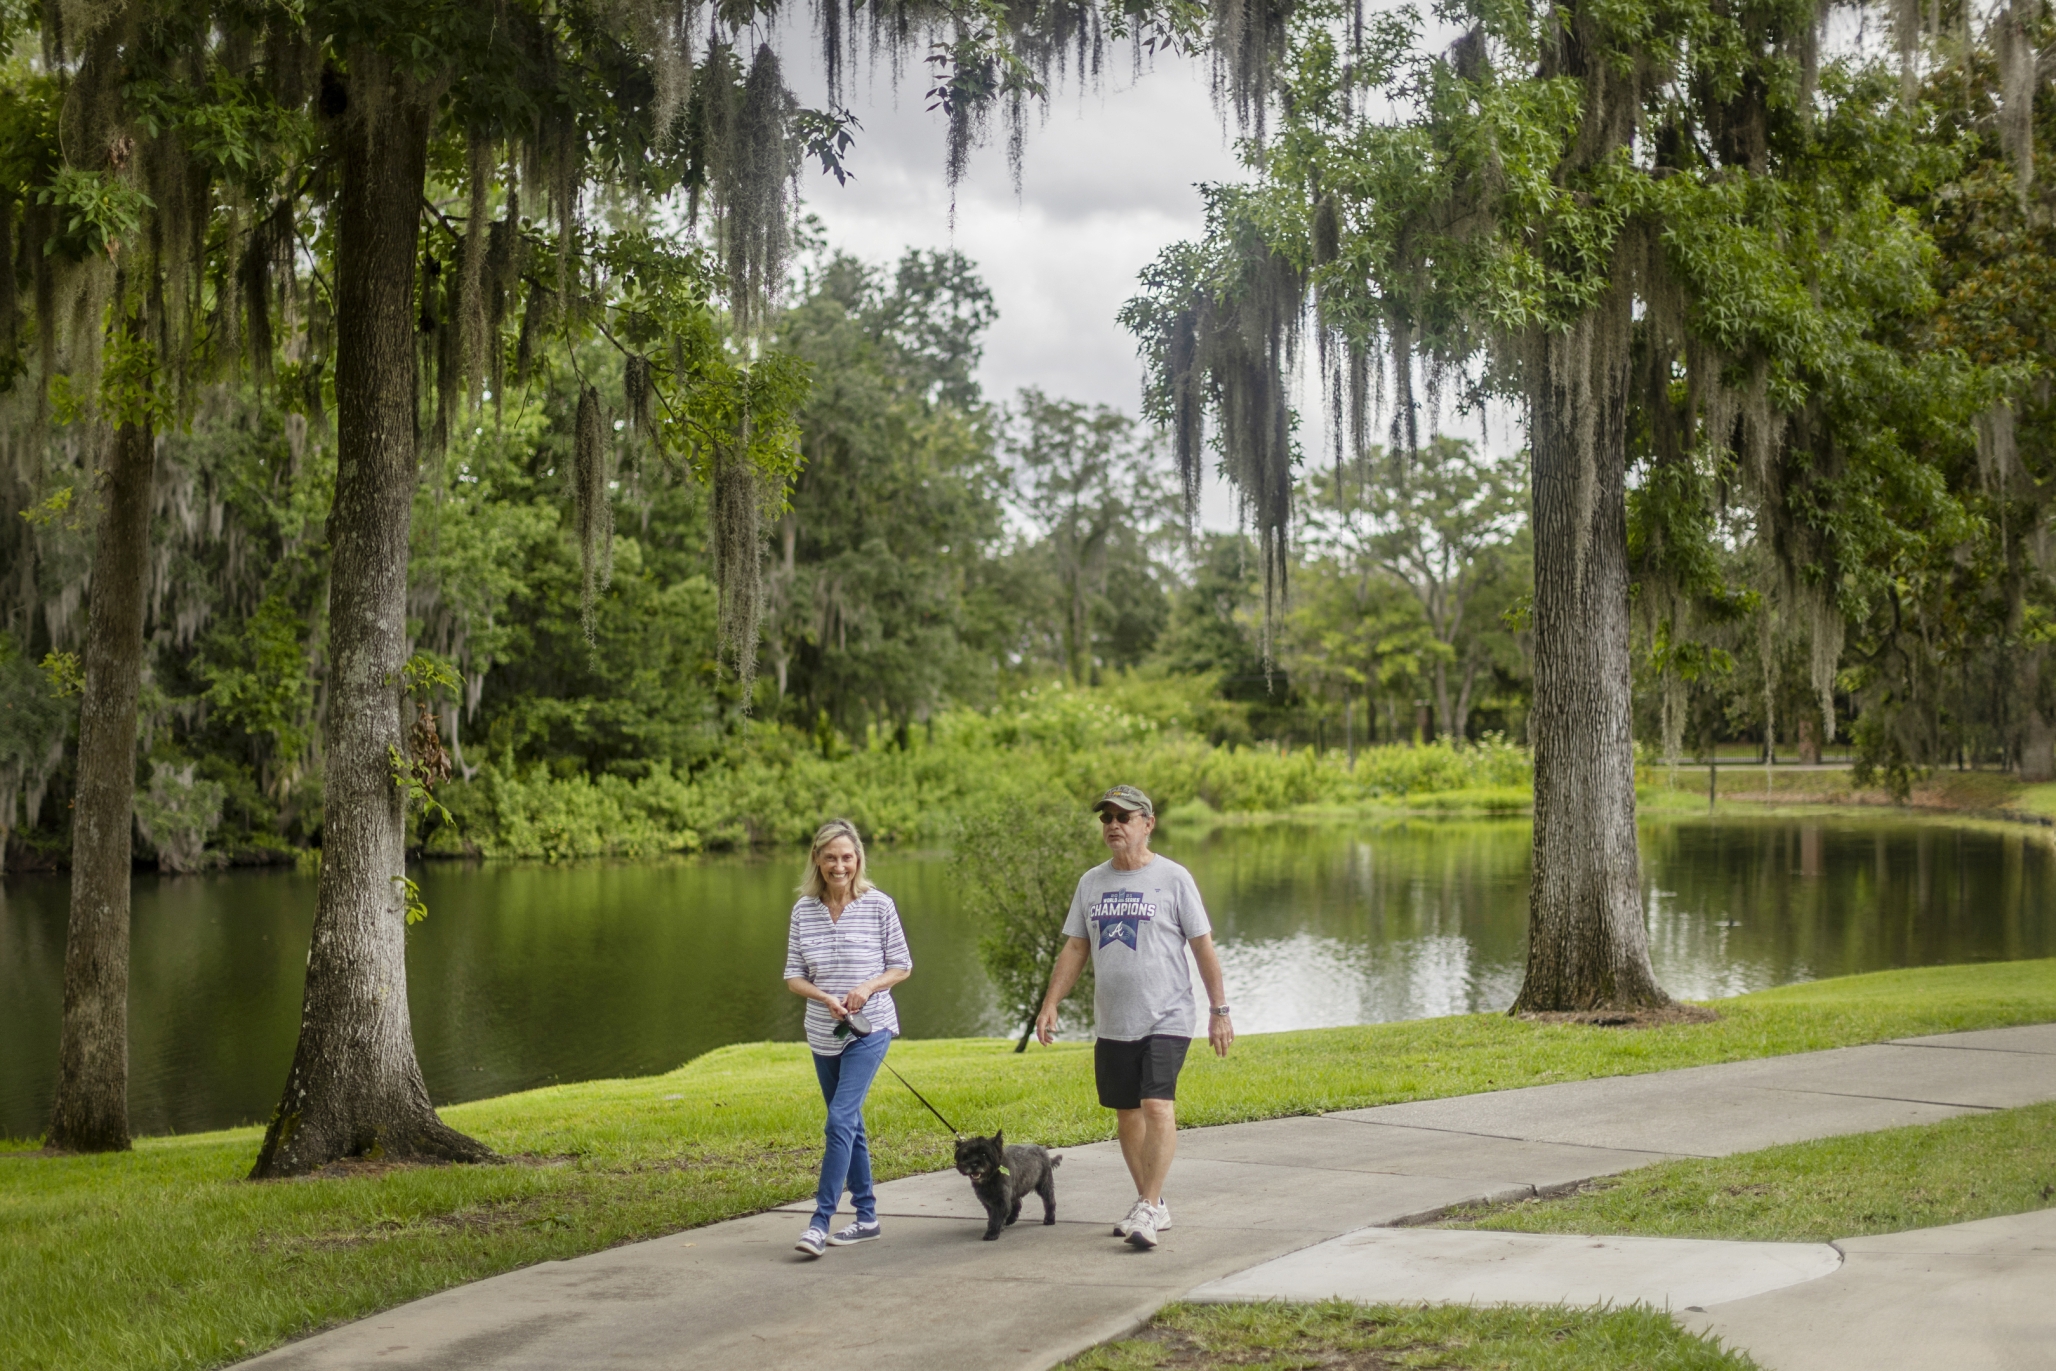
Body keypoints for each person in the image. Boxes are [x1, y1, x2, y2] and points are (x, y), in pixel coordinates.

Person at [1034, 784, 1232, 1251]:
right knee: (1127, 1114)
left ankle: (1147, 1205)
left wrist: (1219, 1010)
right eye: (1107, 818)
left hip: (1168, 1015)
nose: (1114, 825)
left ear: (1148, 822)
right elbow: (1076, 947)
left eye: (1124, 817)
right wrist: (1051, 1002)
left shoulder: (1174, 878)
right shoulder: (1091, 883)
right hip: (1113, 1022)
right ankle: (1154, 1203)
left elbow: (1203, 947)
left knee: (1157, 1105)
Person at [783, 818, 912, 1258]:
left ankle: (819, 1223)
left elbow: (902, 966)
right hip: (822, 1031)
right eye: (831, 857)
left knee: (838, 1120)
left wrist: (867, 987)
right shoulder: (803, 910)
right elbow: (793, 977)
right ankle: (867, 1217)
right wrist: (824, 997)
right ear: (817, 860)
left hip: (870, 1028)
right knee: (850, 1123)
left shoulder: (879, 905)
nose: (840, 866)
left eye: (847, 857)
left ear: (859, 860)